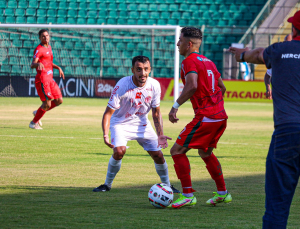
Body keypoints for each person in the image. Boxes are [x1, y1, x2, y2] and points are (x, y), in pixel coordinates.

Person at [228, 9, 300, 228]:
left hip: (289, 132)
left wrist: (242, 54)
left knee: (277, 208)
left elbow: (258, 54)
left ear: (294, 29)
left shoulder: (280, 49)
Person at [93, 56, 180, 194]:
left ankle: (167, 185)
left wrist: (160, 134)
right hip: (120, 123)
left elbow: (156, 113)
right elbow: (108, 113)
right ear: (132, 70)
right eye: (139, 69)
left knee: (158, 155)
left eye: (146, 69)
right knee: (119, 152)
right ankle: (107, 185)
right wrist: (105, 134)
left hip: (142, 123)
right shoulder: (122, 85)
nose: (143, 73)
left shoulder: (154, 85)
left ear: (150, 70)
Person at [168, 27, 232, 209]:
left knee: (177, 151)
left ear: (189, 44)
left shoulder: (189, 61)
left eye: (180, 40)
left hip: (207, 117)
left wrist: (175, 106)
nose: (177, 44)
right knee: (205, 152)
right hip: (220, 116)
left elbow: (192, 85)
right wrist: (215, 105)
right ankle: (222, 193)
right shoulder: (209, 61)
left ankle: (187, 195)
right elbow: (222, 87)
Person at [29, 29, 65, 129]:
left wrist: (58, 67)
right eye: (43, 36)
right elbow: (32, 64)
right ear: (40, 38)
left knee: (59, 100)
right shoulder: (39, 49)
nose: (46, 37)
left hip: (50, 79)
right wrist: (37, 64)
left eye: (47, 35)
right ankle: (33, 123)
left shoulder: (49, 47)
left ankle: (38, 112)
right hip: (42, 80)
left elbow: (48, 63)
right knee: (47, 104)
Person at [264, 34, 292, 100]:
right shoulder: (277, 58)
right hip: (280, 95)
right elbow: (267, 76)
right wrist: (268, 88)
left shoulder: (298, 58)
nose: (287, 45)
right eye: (285, 42)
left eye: (289, 43)